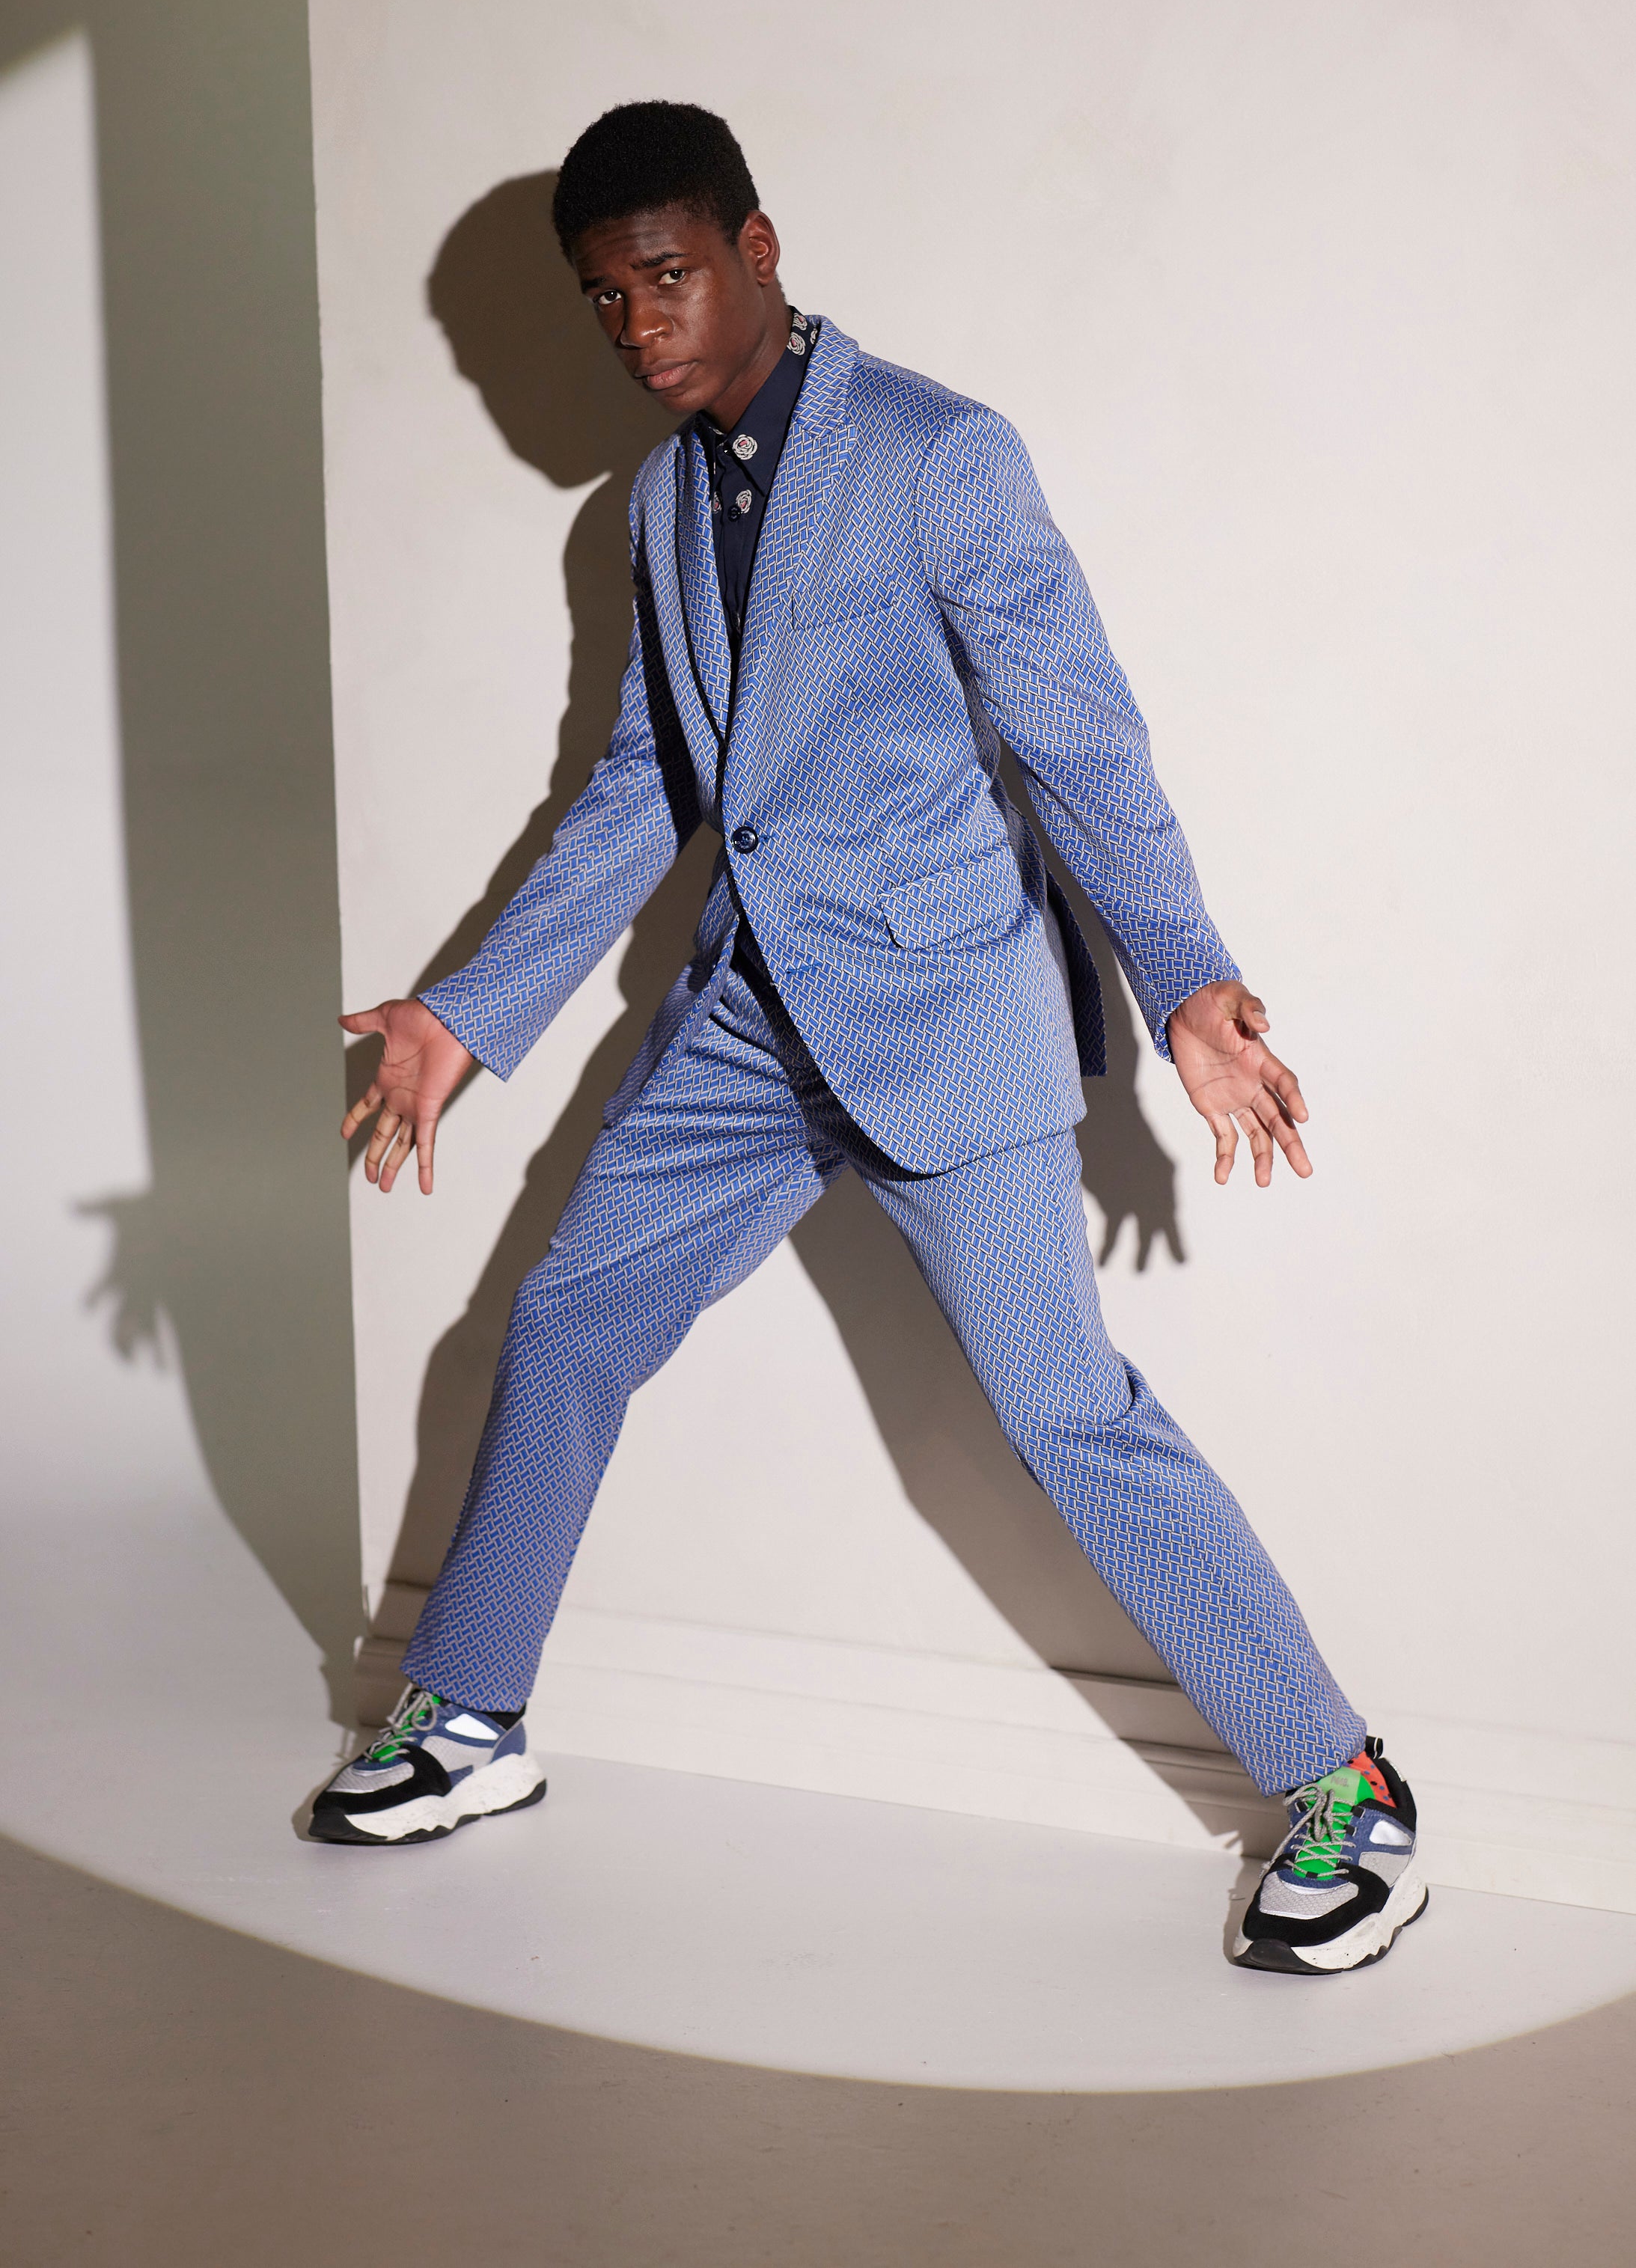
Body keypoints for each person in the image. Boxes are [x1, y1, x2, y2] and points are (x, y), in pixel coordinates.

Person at [310, 101, 1426, 1978]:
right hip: (749, 1021)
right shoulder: (656, 506)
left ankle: (1345, 1792)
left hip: (943, 1006)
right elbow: (652, 780)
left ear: (755, 249)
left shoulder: (936, 453)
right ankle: (473, 1715)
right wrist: (465, 1014)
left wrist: (1184, 975)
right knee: (567, 1320)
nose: (638, 325)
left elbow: (1076, 733)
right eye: (604, 299)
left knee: (1062, 1410)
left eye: (665, 276)